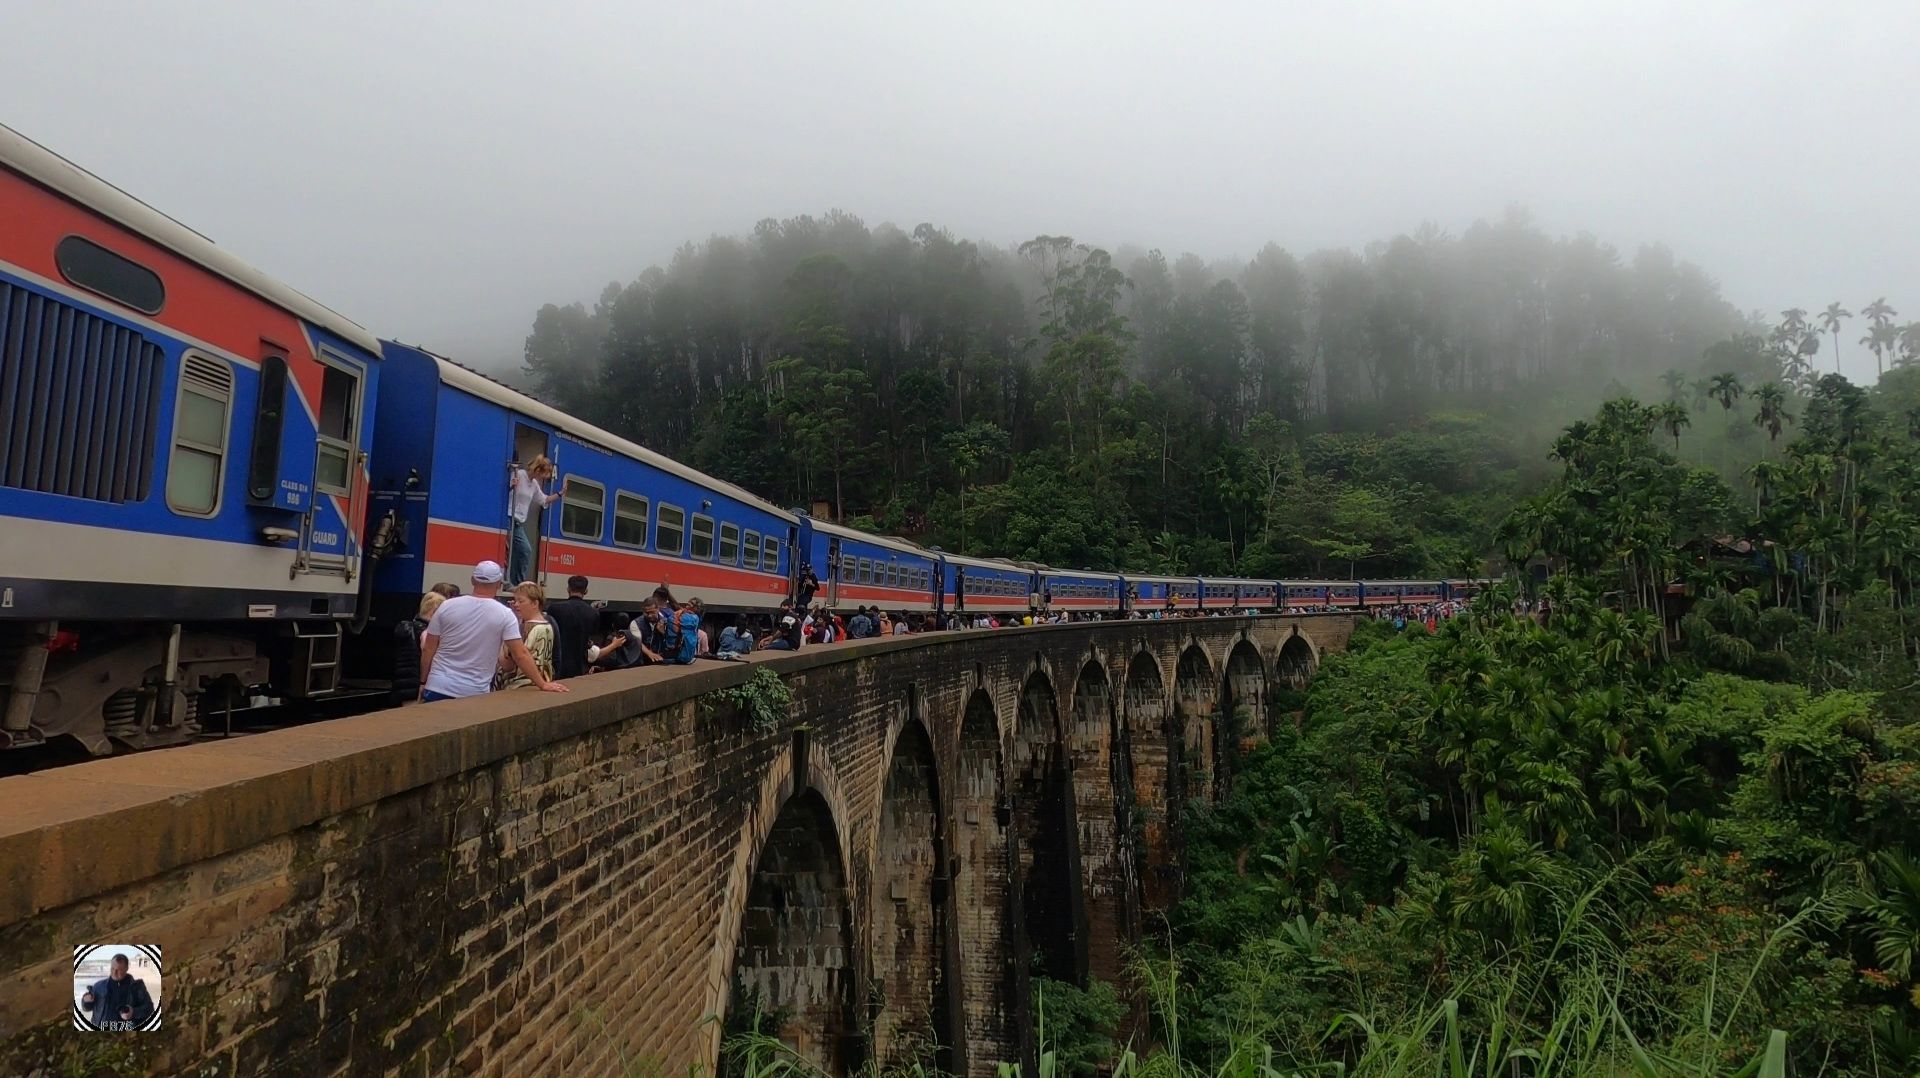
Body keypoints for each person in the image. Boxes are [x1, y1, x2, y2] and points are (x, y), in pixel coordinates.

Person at [420, 561, 566, 700]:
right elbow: (520, 654)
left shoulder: (446, 606)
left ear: (472, 580)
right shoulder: (504, 614)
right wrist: (543, 684)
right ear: (498, 584)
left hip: (438, 685)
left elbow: (428, 647)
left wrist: (423, 681)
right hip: (473, 691)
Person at [507, 455, 566, 587]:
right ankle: (516, 582)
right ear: (538, 470)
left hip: (519, 522)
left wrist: (560, 494)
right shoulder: (518, 474)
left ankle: (514, 581)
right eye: (543, 474)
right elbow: (506, 489)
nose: (543, 478)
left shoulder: (534, 484)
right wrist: (512, 485)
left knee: (522, 551)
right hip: (509, 517)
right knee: (522, 550)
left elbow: (543, 500)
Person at [498, 581, 556, 689]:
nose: (516, 604)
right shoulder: (548, 626)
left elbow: (506, 663)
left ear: (535, 603)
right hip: (539, 683)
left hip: (517, 686)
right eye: (515, 601)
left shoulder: (526, 628)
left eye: (521, 601)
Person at [391, 591, 444, 705]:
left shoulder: (405, 628)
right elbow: (428, 656)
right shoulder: (427, 633)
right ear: (434, 612)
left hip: (403, 684)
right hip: (418, 685)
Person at [81, 953, 155, 1030]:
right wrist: (86, 1001)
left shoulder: (137, 987)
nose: (114, 973)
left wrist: (133, 1013)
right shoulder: (98, 986)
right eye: (112, 968)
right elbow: (86, 1008)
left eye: (119, 970)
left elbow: (149, 1009)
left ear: (126, 968)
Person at [545, 575, 597, 679]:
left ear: (568, 589)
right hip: (579, 667)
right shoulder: (593, 613)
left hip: (557, 666)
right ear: (586, 591)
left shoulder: (554, 609)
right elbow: (591, 639)